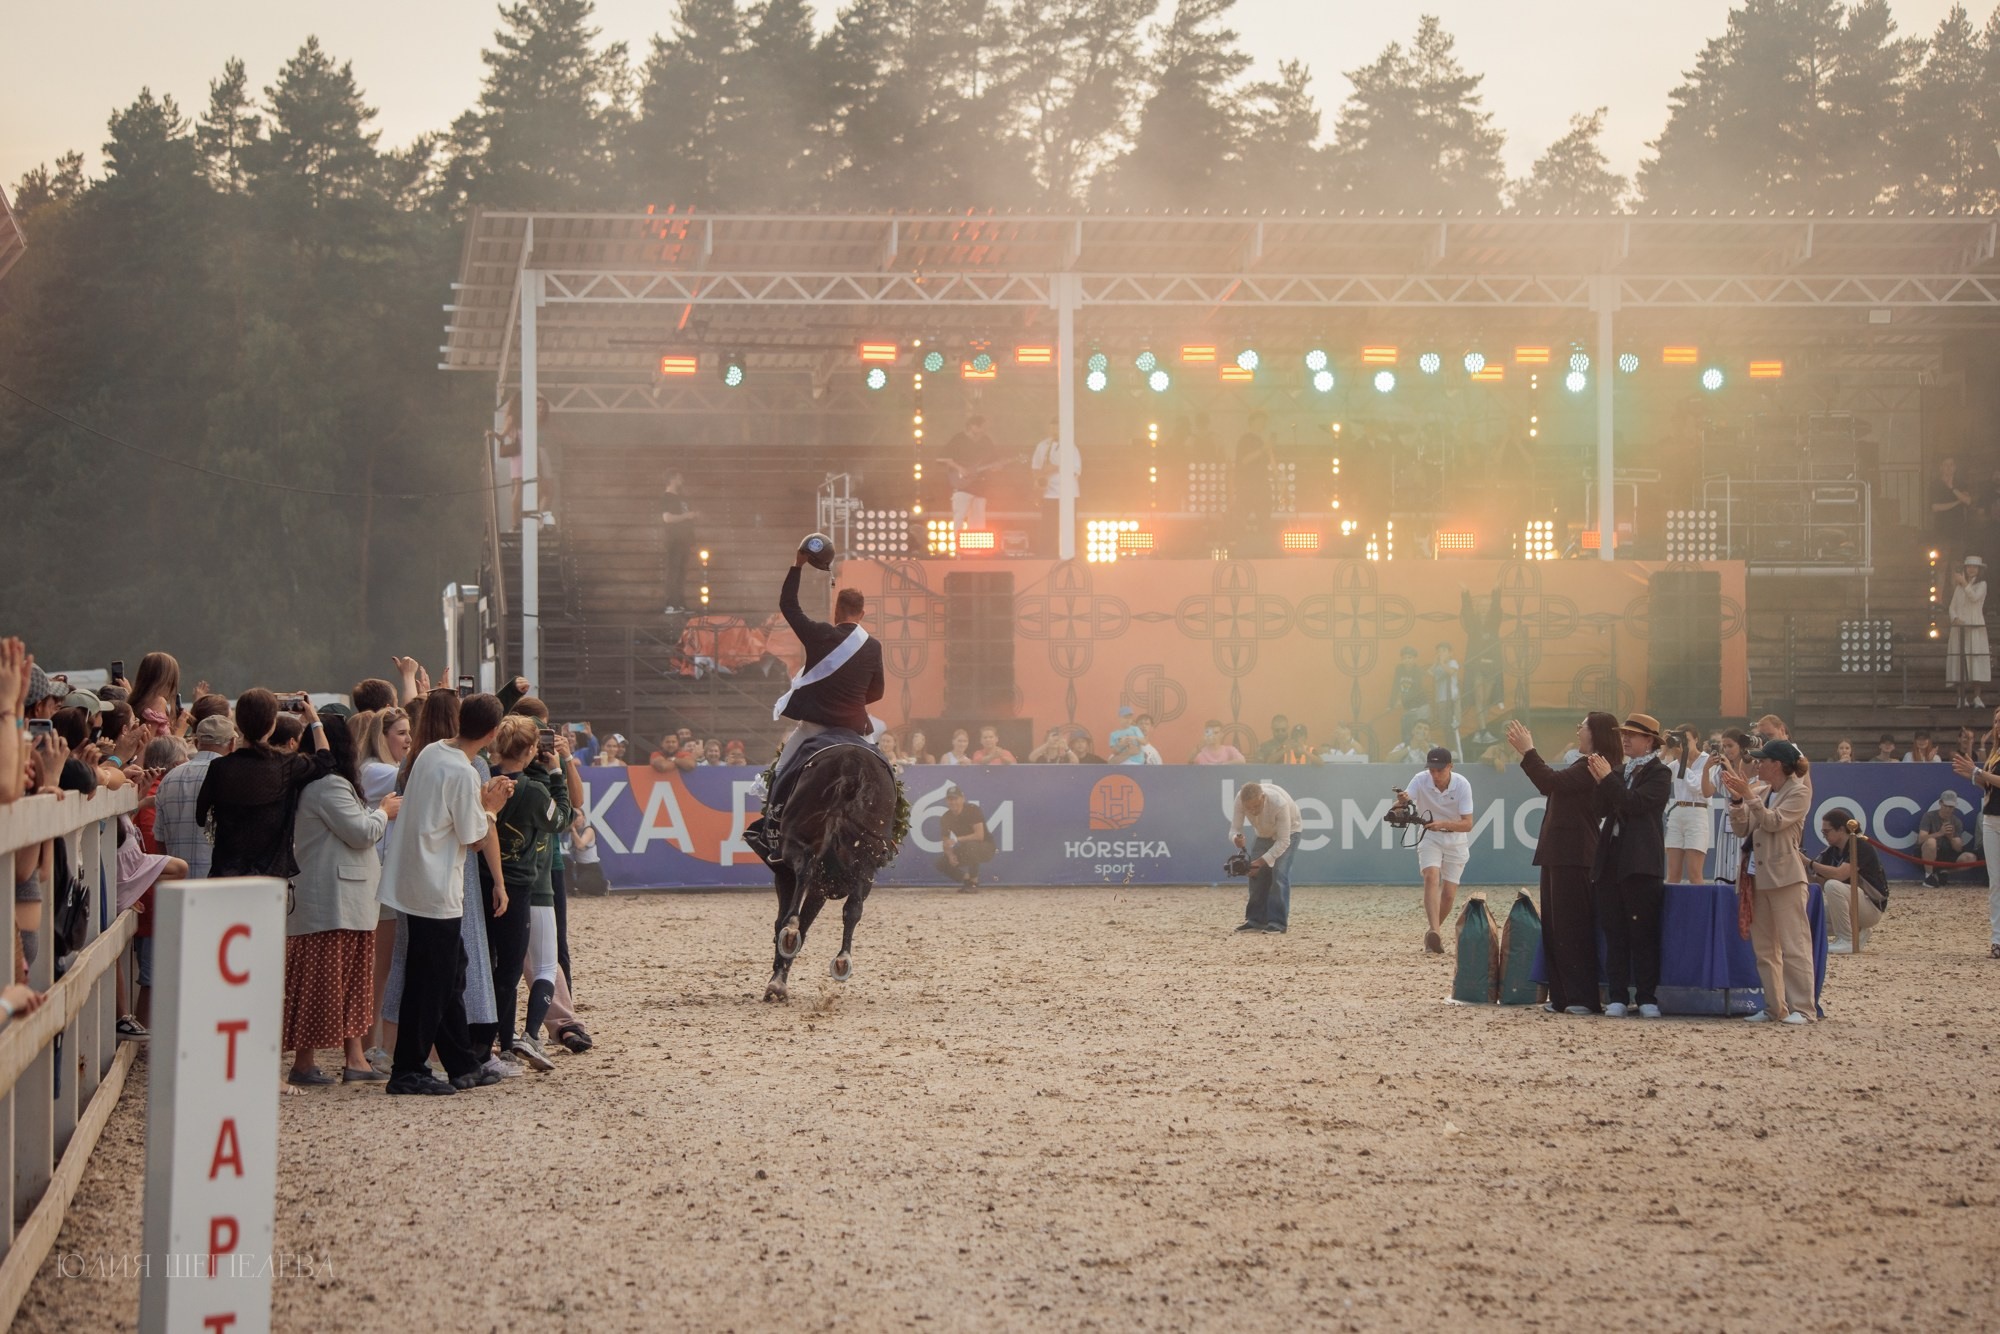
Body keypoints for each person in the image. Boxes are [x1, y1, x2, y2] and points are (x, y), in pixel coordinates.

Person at [377, 693, 515, 1096]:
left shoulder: (432, 751)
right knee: (431, 982)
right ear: (492, 733)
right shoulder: (463, 772)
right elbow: (474, 838)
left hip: (416, 880)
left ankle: (461, 1063)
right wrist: (492, 806)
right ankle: (408, 1069)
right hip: (435, 888)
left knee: (450, 972)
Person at [287, 715, 399, 1086]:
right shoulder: (330, 785)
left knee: (346, 982)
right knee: (326, 981)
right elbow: (361, 832)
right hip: (336, 900)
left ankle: (354, 1059)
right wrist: (383, 811)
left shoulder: (314, 784)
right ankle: (306, 1063)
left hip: (338, 900)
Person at [1508, 714, 1621, 1014]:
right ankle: (1563, 997)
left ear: (1596, 733)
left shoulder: (1593, 764)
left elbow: (1550, 782)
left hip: (1574, 854)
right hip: (1560, 852)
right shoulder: (1586, 763)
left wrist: (1529, 751)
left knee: (1572, 927)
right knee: (1556, 928)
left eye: (1582, 727)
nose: (1578, 731)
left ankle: (1581, 998)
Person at [488, 716, 574, 1073]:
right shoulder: (534, 790)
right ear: (529, 751)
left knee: (499, 967)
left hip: (489, 880)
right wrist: (555, 774)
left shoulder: (485, 779)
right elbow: (563, 818)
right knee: (542, 965)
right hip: (528, 883)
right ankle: (530, 1034)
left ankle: (502, 1039)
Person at [770, 542, 885, 792]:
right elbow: (877, 692)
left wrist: (797, 565)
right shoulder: (873, 646)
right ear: (862, 614)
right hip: (855, 729)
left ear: (836, 611)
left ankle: (774, 816)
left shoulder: (820, 634)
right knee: (886, 779)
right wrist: (851, 699)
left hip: (814, 728)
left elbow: (788, 605)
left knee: (778, 773)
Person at [196, 690, 333, 882]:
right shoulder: (286, 765)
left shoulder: (220, 767)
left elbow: (200, 817)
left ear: (239, 724)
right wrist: (313, 719)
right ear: (271, 725)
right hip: (271, 875)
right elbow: (325, 760)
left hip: (226, 873)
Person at [1723, 739, 1816, 1024]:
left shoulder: (1799, 792)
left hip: (1786, 878)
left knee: (1794, 946)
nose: (1757, 764)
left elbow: (1774, 822)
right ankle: (1775, 1008)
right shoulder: (1762, 791)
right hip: (1756, 877)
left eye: (1763, 760)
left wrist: (1748, 796)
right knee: (1764, 949)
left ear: (1778, 764)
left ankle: (1804, 1009)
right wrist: (1737, 801)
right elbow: (1741, 829)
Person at [1589, 713, 1674, 1018]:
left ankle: (1647, 996)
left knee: (1642, 932)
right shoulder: (1619, 771)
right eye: (1623, 734)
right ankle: (1617, 996)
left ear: (1649, 740)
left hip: (1640, 861)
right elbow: (1600, 808)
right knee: (1615, 932)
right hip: (1611, 858)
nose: (1625, 739)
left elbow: (1635, 804)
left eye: (1632, 735)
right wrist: (1601, 782)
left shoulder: (1660, 773)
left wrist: (1608, 780)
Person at [1394, 747, 1475, 954]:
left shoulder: (1462, 784)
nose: (1435, 774)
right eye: (1431, 770)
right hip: (1429, 836)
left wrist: (1443, 824)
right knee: (1431, 876)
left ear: (1450, 766)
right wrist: (1401, 803)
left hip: (1456, 839)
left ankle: (1431, 933)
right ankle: (1436, 933)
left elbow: (1467, 824)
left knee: (1448, 894)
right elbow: (1404, 802)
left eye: (1440, 770)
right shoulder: (1420, 779)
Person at [152, 714, 235, 880]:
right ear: (232, 744)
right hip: (220, 881)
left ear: (197, 743)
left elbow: (160, 839)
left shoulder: (169, 778)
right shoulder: (233, 776)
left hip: (179, 883)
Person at [1950, 708, 2000, 959]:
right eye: (1996, 721)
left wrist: (1978, 772)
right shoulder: (1995, 752)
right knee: (1996, 882)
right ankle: (1997, 939)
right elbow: (1989, 784)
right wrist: (1972, 775)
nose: (1998, 725)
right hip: (1991, 817)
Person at [1808, 808, 1888, 952]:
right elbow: (1818, 882)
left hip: (1871, 907)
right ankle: (1858, 931)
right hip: (1851, 906)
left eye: (1826, 831)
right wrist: (1800, 867)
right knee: (1809, 920)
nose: (1824, 836)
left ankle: (1846, 939)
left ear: (1841, 829)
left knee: (1833, 885)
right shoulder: (1830, 851)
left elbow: (1840, 875)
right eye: (1823, 832)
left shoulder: (1860, 845)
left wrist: (1809, 863)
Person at [1230, 780, 1302, 934]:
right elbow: (1234, 829)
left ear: (1263, 797)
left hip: (1290, 832)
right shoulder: (1239, 800)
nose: (1253, 810)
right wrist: (1236, 838)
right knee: (1255, 875)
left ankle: (1278, 923)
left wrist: (1261, 862)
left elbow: (1283, 841)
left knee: (1279, 874)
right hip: (1263, 834)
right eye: (1249, 808)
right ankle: (1256, 921)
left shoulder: (1279, 803)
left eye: (1256, 806)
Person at [1663, 726, 1713, 885]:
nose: (1683, 744)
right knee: (1672, 874)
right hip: (1677, 812)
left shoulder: (1707, 760)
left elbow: (1697, 787)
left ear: (1696, 739)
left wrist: (1681, 760)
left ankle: (1698, 902)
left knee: (1694, 873)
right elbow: (1657, 775)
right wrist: (1663, 751)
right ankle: (1672, 902)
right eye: (1680, 740)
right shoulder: (1676, 762)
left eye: (1687, 740)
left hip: (1697, 812)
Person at [1029, 416, 1080, 557]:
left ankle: (1067, 553)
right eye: (1052, 428)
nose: (1054, 431)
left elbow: (1076, 470)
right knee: (1048, 525)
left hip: (1067, 494)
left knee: (1067, 526)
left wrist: (1055, 467)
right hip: (1048, 492)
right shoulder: (1043, 445)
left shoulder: (1071, 446)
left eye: (1057, 428)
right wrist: (1038, 480)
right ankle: (1047, 554)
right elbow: (1035, 466)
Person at [938, 415, 997, 532]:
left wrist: (996, 467)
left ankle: (977, 544)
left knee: (978, 520)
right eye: (981, 427)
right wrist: (959, 468)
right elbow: (942, 458)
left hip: (980, 486)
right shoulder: (958, 439)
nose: (983, 430)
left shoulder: (986, 441)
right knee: (960, 516)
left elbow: (993, 461)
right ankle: (957, 542)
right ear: (972, 426)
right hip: (962, 486)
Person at [1949, 555, 1989, 708]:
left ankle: (1977, 697)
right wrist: (1955, 618)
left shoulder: (1982, 585)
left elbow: (1974, 597)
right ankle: (1961, 698)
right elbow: (1952, 606)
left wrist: (1964, 582)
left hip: (1975, 627)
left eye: (1974, 567)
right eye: (1969, 567)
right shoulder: (1959, 588)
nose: (1971, 569)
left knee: (1976, 661)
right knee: (1959, 661)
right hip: (1960, 629)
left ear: (1979, 570)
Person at [936, 785, 994, 891]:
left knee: (971, 846)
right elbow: (945, 842)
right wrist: (950, 855)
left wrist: (957, 839)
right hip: (967, 849)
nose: (953, 802)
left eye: (955, 799)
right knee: (940, 862)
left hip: (986, 848)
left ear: (963, 799)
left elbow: (979, 836)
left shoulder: (972, 810)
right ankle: (967, 880)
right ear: (946, 801)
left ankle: (974, 882)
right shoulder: (946, 817)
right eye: (950, 799)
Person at [1917, 790, 1978, 887]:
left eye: (1951, 807)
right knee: (1931, 842)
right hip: (1928, 856)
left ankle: (1943, 872)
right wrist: (1940, 833)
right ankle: (1929, 876)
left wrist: (1951, 837)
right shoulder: (1929, 816)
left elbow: (1958, 848)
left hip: (1947, 856)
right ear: (1940, 803)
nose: (1948, 809)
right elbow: (1921, 839)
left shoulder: (1956, 821)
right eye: (1946, 806)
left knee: (1970, 858)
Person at [1231, 410, 1273, 542]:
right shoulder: (1246, 440)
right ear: (1252, 422)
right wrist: (1263, 450)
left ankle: (1264, 544)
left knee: (1264, 518)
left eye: (1264, 422)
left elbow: (1268, 463)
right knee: (1241, 517)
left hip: (1261, 485)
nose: (1263, 424)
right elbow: (1244, 460)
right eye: (1260, 421)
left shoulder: (1262, 441)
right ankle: (1237, 543)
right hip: (1247, 485)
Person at [660, 469, 697, 615]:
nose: (682, 480)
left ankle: (680, 604)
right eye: (679, 478)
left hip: (684, 540)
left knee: (681, 574)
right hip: (674, 540)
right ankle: (670, 605)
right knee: (673, 572)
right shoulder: (666, 497)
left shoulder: (681, 498)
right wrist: (686, 516)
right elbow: (667, 518)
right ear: (672, 479)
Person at [1932, 455, 1975, 568]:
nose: (1949, 468)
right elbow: (1935, 507)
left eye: (1951, 465)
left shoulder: (1960, 484)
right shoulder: (1935, 484)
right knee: (1941, 564)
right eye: (1946, 465)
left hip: (1958, 530)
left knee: (1957, 565)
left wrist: (1952, 488)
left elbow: (1968, 501)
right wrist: (1957, 502)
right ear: (1941, 467)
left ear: (1955, 467)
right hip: (1941, 530)